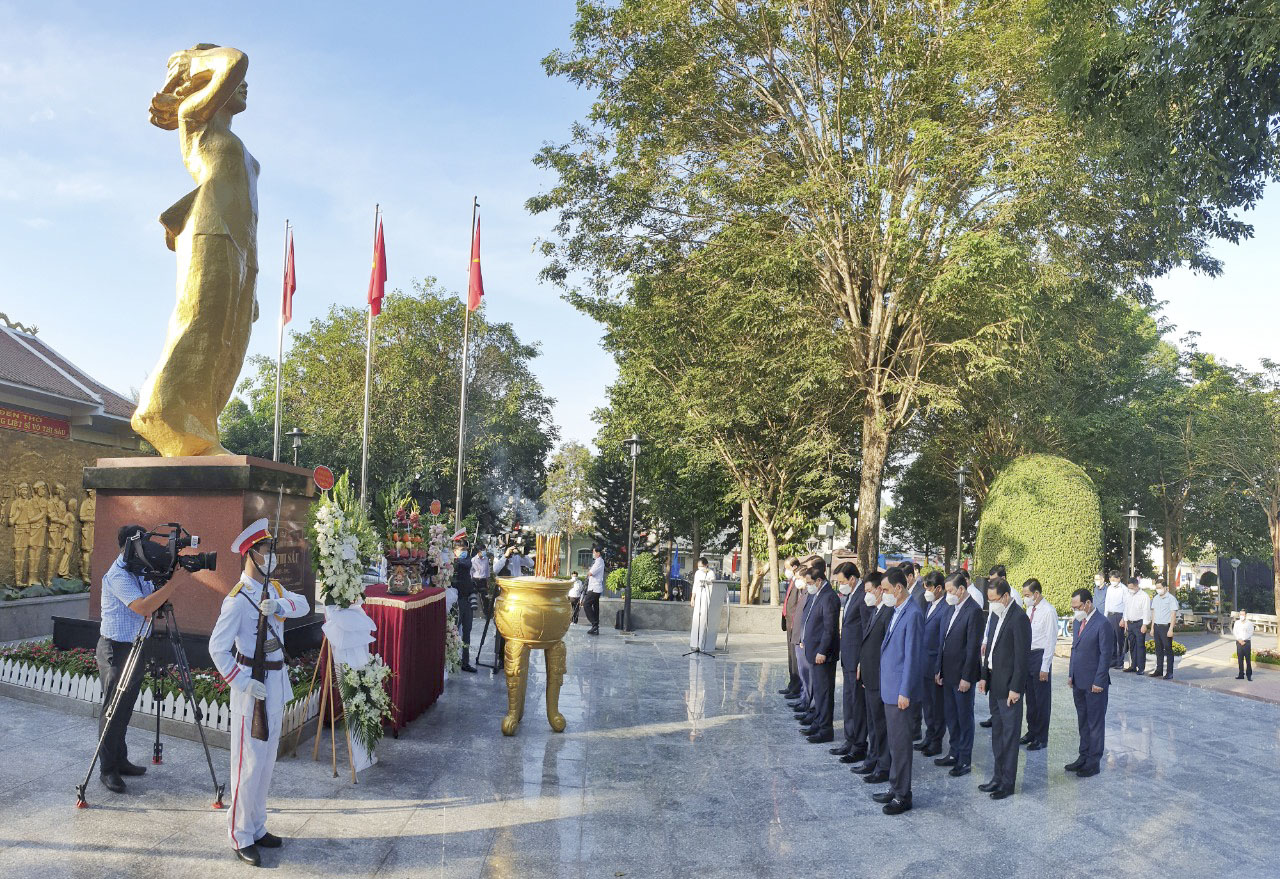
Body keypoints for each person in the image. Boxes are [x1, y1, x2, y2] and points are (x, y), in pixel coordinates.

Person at [209, 518, 310, 866]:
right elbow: (217, 648)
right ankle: (239, 834)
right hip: (252, 689)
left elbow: (305, 605)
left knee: (266, 765)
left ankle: (257, 826)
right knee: (247, 767)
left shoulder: (276, 590)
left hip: (276, 685)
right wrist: (240, 681)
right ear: (250, 554)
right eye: (266, 550)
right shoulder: (236, 600)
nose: (272, 556)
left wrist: (280, 607)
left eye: (272, 550)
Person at [95, 524, 184, 794]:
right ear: (128, 547)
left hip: (136, 644)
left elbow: (153, 602)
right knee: (113, 709)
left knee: (126, 707)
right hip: (115, 649)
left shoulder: (140, 569)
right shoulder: (117, 575)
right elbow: (144, 606)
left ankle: (120, 760)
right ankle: (107, 770)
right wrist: (174, 583)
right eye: (142, 544)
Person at [874, 568, 923, 815]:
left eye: (885, 589)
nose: (882, 593)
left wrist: (905, 691)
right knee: (894, 743)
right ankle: (895, 787)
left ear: (898, 588)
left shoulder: (913, 613)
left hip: (900, 692)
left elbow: (913, 656)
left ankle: (903, 795)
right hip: (890, 689)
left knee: (902, 745)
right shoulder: (897, 610)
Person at [978, 577, 1030, 799]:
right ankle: (997, 777)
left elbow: (1021, 658)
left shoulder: (1018, 618)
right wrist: (983, 677)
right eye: (989, 600)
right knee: (998, 736)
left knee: (1009, 738)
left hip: (1009, 689)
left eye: (994, 599)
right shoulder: (997, 615)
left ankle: (1007, 784)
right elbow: (989, 649)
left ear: (1006, 596)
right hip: (994, 683)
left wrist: (1016, 689)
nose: (991, 604)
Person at [936, 571, 982, 777]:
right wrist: (939, 668)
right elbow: (942, 642)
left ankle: (964, 759)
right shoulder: (949, 608)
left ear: (962, 589)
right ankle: (953, 752)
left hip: (962, 676)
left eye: (951, 591)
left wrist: (966, 677)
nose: (948, 595)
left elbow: (972, 648)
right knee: (951, 716)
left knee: (964, 718)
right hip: (947, 672)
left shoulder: (974, 611)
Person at [1066, 587, 1113, 778]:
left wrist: (1099, 681)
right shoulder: (1079, 622)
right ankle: (1083, 756)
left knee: (1095, 724)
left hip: (1095, 683)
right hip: (1078, 681)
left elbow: (1106, 655)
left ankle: (1094, 761)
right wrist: (1071, 674)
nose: (1075, 610)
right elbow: (1074, 649)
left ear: (1087, 604)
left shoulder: (1103, 624)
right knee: (1083, 721)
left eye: (1077, 607)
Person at [852, 572, 890, 781]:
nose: (866, 595)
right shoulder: (875, 610)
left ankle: (883, 766)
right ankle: (872, 759)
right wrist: (861, 663)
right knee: (873, 722)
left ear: (879, 590)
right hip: (868, 674)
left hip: (879, 677)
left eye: (868, 591)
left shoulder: (888, 612)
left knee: (880, 724)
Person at [798, 559, 840, 743]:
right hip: (813, 650)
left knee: (824, 693)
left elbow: (829, 628)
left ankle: (825, 729)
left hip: (822, 654)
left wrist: (822, 650)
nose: (808, 587)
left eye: (809, 583)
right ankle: (817, 723)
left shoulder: (829, 597)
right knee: (818, 691)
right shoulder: (818, 595)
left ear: (819, 581)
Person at [831, 562, 867, 763]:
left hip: (857, 660)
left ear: (852, 579)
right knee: (848, 700)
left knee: (857, 702)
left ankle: (859, 744)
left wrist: (862, 660)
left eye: (842, 581)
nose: (840, 586)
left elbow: (866, 631)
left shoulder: (863, 595)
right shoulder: (852, 594)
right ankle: (849, 739)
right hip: (847, 658)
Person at [1021, 578, 1057, 750]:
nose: (1025, 598)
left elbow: (1050, 640)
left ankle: (1041, 737)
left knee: (1041, 700)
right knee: (1031, 699)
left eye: (1027, 595)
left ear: (1036, 593)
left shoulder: (1048, 611)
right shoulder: (1029, 609)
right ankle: (1032, 732)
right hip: (1028, 656)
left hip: (1040, 656)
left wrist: (1045, 666)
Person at [916, 571, 948, 757]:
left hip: (934, 663)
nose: (926, 591)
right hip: (924, 662)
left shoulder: (944, 607)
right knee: (927, 704)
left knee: (937, 706)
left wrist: (939, 668)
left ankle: (936, 741)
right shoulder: (929, 605)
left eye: (928, 588)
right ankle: (928, 736)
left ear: (938, 588)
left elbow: (942, 639)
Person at [779, 558, 804, 698]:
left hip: (795, 624)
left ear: (795, 566)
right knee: (790, 656)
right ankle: (791, 684)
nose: (786, 571)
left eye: (788, 568)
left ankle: (797, 687)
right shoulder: (793, 580)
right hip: (789, 623)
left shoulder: (800, 582)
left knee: (796, 658)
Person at [453, 538, 477, 673]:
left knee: (467, 632)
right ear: (454, 551)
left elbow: (466, 564)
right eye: (461, 550)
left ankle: (465, 661)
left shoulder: (466, 561)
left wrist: (458, 559)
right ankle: (452, 659)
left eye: (465, 550)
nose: (464, 552)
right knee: (453, 631)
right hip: (457, 601)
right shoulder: (451, 563)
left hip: (467, 600)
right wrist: (454, 560)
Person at [1120, 577, 1151, 673]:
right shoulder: (1128, 594)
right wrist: (1125, 622)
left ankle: (1141, 668)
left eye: (1132, 588)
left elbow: (1146, 611)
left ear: (1137, 586)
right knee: (1132, 645)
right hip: (1130, 623)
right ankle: (1133, 665)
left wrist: (1145, 624)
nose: (1130, 590)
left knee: (1140, 646)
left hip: (1139, 623)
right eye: (1129, 587)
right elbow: (1126, 608)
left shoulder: (1144, 596)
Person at [1150, 579, 1178, 679]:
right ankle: (1159, 669)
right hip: (1157, 626)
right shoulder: (1156, 598)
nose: (1158, 590)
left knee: (1168, 649)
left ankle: (1169, 672)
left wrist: (1171, 629)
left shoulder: (1171, 599)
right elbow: (1154, 613)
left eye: (1160, 588)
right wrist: (1152, 627)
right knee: (1158, 650)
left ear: (1166, 587)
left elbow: (1173, 614)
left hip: (1166, 627)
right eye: (1157, 588)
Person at [689, 557, 716, 652]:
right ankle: (694, 643)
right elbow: (695, 585)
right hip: (699, 597)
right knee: (696, 619)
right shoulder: (698, 573)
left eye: (701, 566)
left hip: (706, 597)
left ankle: (702, 643)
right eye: (698, 566)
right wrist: (693, 598)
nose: (700, 568)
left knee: (704, 618)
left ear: (706, 565)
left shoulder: (711, 573)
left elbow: (713, 585)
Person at [1103, 570, 1126, 669]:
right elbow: (1107, 602)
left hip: (1119, 616)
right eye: (1111, 579)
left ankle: (1120, 661)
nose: (1112, 581)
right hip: (1110, 615)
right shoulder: (1109, 588)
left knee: (1119, 639)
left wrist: (1124, 618)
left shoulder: (1123, 589)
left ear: (1118, 579)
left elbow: (1126, 604)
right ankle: (1112, 660)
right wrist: (1105, 616)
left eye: (1114, 579)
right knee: (1111, 639)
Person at [584, 546, 605, 635]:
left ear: (598, 553)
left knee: (586, 604)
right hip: (595, 587)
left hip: (595, 588)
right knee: (595, 607)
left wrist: (589, 572)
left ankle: (594, 624)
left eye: (594, 552)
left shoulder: (599, 562)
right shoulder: (598, 561)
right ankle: (595, 627)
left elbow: (591, 573)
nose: (593, 554)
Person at [1233, 610, 1254, 681]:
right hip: (1239, 642)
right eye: (1240, 614)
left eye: (1243, 614)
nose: (1242, 616)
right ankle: (1241, 674)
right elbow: (1235, 631)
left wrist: (1244, 640)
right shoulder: (1237, 623)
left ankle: (1249, 675)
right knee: (1240, 659)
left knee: (1248, 659)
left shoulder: (1249, 623)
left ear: (1245, 615)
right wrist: (1239, 639)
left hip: (1246, 642)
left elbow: (1250, 632)